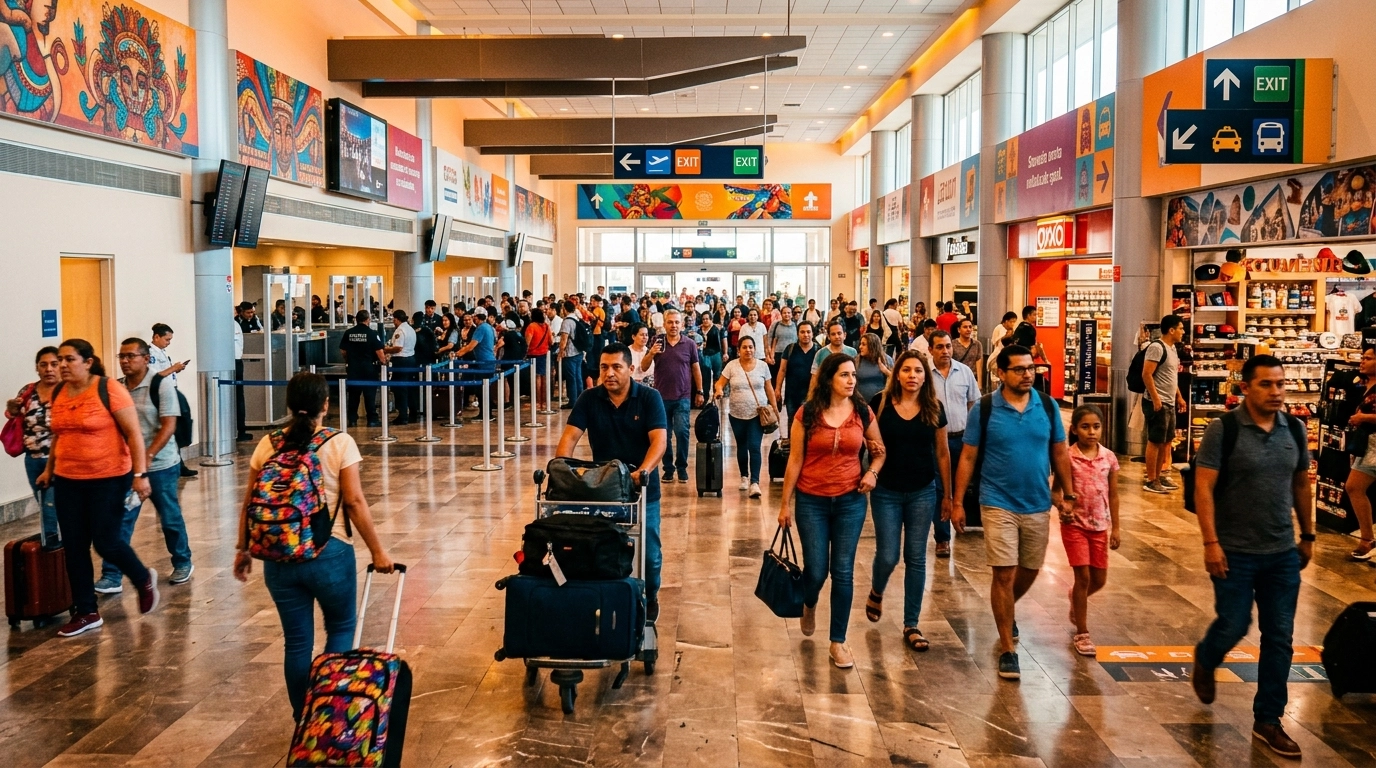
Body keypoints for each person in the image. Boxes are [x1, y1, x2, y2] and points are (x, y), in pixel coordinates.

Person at [233, 372, 394, 723]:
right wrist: (378, 552)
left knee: (297, 642)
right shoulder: (339, 443)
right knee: (340, 628)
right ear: (325, 404)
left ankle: (303, 719)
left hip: (279, 556)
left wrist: (243, 548)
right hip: (330, 551)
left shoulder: (268, 444)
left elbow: (249, 502)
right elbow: (353, 501)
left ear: (289, 405)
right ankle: (331, 718)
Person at [1191, 354, 1314, 760]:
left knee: (1279, 638)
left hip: (1281, 553)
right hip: (1235, 552)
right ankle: (1206, 658)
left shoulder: (1294, 430)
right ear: (1245, 387)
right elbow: (1203, 489)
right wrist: (1211, 543)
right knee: (1234, 624)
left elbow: (1300, 485)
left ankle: (1269, 720)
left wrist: (1308, 535)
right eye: (1266, 384)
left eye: (1281, 384)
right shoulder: (1223, 430)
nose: (1276, 392)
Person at [953, 344, 1074, 681]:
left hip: (1036, 502)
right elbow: (967, 456)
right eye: (1019, 369)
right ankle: (1008, 648)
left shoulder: (1048, 407)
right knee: (1003, 573)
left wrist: (1069, 494)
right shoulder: (986, 409)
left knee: (1030, 569)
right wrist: (958, 501)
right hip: (997, 501)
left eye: (1030, 369)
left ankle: (1005, 610)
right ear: (1000, 374)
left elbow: (1061, 453)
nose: (1027, 375)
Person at [36, 339, 160, 637]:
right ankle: (86, 611)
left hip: (108, 477)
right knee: (75, 546)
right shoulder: (59, 392)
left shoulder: (108, 389)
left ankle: (142, 578)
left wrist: (140, 474)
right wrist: (49, 469)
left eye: (69, 360)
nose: (62, 365)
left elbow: (133, 434)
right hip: (68, 479)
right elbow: (59, 436)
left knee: (105, 541)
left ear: (88, 362)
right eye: (59, 360)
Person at [776, 353, 886, 669]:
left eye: (853, 375)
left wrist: (872, 472)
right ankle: (810, 601)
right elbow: (794, 461)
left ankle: (838, 641)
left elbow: (879, 451)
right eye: (844, 375)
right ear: (828, 379)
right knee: (816, 570)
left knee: (843, 571)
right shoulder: (807, 414)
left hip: (850, 502)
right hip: (812, 501)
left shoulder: (862, 413)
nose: (852, 380)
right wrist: (785, 505)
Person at [557, 343, 668, 620]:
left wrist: (643, 471)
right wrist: (562, 469)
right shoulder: (589, 399)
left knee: (650, 554)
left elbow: (659, 441)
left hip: (642, 490)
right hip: (603, 489)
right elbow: (570, 438)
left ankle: (651, 594)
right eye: (604, 367)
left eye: (617, 367)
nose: (609, 373)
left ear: (631, 369)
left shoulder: (649, 398)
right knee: (600, 548)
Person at [865, 350, 951, 652]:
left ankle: (911, 623)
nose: (912, 375)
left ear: (925, 376)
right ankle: (877, 590)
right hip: (886, 490)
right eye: (906, 370)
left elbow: (942, 453)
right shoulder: (881, 403)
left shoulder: (934, 407)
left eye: (918, 371)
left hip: (922, 490)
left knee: (916, 557)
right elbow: (868, 440)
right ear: (896, 373)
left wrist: (948, 496)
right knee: (888, 555)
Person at [95, 338, 194, 593]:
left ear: (146, 358)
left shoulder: (160, 385)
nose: (126, 361)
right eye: (122, 357)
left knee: (169, 516)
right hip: (128, 466)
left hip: (161, 464)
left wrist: (147, 456)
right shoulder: (116, 387)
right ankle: (112, 575)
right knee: (121, 519)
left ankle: (183, 562)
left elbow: (168, 425)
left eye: (131, 356)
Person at [1061, 404, 1120, 657]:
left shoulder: (1108, 457)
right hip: (1074, 525)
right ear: (1074, 429)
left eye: (1096, 426)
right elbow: (1056, 491)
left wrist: (1116, 527)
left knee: (1099, 580)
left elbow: (1114, 494)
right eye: (1085, 427)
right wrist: (1063, 505)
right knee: (1083, 577)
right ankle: (1082, 633)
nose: (1091, 432)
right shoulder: (1067, 457)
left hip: (1100, 526)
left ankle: (1076, 598)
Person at [929, 330, 980, 555]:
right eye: (939, 347)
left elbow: (973, 404)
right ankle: (942, 537)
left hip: (961, 439)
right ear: (930, 350)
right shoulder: (925, 376)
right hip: (935, 442)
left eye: (948, 346)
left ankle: (963, 522)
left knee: (962, 485)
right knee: (940, 489)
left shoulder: (965, 372)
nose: (945, 351)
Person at [641, 308, 704, 484]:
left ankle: (682, 467)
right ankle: (668, 469)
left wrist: (700, 391)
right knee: (663, 435)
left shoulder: (689, 344)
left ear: (682, 325)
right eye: (670, 322)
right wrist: (651, 352)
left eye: (677, 322)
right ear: (664, 324)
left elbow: (696, 368)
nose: (674, 325)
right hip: (660, 398)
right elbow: (644, 366)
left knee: (682, 432)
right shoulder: (657, 341)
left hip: (682, 396)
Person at [5, 347, 61, 544]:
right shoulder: (29, 390)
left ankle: (55, 546)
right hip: (33, 459)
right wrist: (11, 409)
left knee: (51, 506)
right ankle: (54, 551)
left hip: (60, 459)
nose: (49, 369)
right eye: (43, 365)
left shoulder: (68, 390)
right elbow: (15, 415)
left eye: (54, 364)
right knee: (45, 505)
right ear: (37, 368)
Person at [713, 336, 778, 498]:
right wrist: (719, 390)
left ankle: (754, 482)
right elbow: (720, 382)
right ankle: (744, 476)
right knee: (741, 446)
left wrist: (775, 406)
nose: (748, 350)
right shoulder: (732, 366)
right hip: (736, 414)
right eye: (744, 347)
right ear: (738, 350)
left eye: (751, 347)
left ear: (755, 349)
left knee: (754, 446)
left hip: (757, 414)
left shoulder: (762, 366)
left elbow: (769, 388)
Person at [1141, 315, 1187, 494]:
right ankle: (1151, 479)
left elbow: (1171, 377)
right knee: (1155, 441)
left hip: (1169, 401)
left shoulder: (1173, 349)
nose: (1183, 332)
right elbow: (1147, 374)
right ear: (1171, 330)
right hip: (1158, 403)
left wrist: (1179, 396)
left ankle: (1160, 476)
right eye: (1181, 328)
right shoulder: (1156, 348)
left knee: (1166, 440)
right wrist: (1155, 398)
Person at [149, 323, 196, 478]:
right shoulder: (150, 354)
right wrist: (173, 368)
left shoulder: (162, 352)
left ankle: (178, 462)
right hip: (161, 394)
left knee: (180, 426)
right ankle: (176, 464)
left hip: (171, 390)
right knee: (170, 428)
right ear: (156, 337)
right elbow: (154, 377)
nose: (168, 342)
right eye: (167, 339)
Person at [339, 310, 385, 427]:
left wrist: (348, 360)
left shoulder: (348, 333)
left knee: (354, 396)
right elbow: (380, 353)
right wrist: (384, 362)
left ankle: (352, 420)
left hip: (353, 368)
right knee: (369, 395)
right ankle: (372, 420)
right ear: (368, 320)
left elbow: (343, 351)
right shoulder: (372, 334)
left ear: (356, 319)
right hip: (369, 368)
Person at [776, 321, 819, 427]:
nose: (806, 335)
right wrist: (777, 389)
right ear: (797, 334)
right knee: (793, 423)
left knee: (812, 424)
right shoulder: (790, 349)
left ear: (813, 334)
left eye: (808, 332)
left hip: (813, 395)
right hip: (792, 394)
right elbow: (782, 370)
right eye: (802, 332)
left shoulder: (818, 350)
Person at [383, 309, 419, 425]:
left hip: (401, 361)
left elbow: (398, 348)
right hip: (411, 360)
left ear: (397, 319)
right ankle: (413, 413)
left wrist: (385, 349)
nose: (393, 321)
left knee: (400, 389)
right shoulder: (410, 329)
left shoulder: (400, 330)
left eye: (394, 319)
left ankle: (403, 415)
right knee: (410, 388)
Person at [525, 307, 553, 411]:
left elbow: (527, 342)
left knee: (536, 378)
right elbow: (551, 341)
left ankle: (536, 402)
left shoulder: (531, 326)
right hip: (544, 353)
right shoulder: (546, 326)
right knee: (544, 377)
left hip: (533, 354)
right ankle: (544, 402)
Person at [558, 300, 586, 409]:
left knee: (571, 378)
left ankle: (573, 401)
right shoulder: (576, 318)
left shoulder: (567, 321)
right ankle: (580, 399)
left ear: (565, 309)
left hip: (570, 353)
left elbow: (564, 338)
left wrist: (561, 352)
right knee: (578, 376)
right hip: (578, 352)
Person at [764, 305, 798, 384]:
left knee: (791, 378)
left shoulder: (795, 325)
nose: (787, 315)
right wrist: (769, 354)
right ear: (781, 314)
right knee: (775, 379)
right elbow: (769, 340)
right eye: (784, 313)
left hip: (792, 354)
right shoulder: (775, 325)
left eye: (789, 313)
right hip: (777, 355)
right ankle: (774, 395)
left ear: (791, 314)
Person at [854, 333, 893, 402]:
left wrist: (885, 371)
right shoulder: (856, 360)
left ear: (872, 345)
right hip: (861, 401)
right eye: (860, 344)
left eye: (863, 344)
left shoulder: (887, 360)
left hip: (881, 401)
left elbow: (895, 380)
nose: (860, 347)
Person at [951, 318, 984, 383]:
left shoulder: (977, 344)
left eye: (970, 327)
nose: (968, 329)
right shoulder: (952, 344)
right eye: (965, 327)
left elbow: (979, 364)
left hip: (972, 378)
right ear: (959, 330)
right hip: (957, 378)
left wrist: (979, 382)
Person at [699, 314, 726, 391]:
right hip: (705, 354)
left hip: (716, 353)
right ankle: (706, 395)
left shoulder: (718, 328)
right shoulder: (699, 329)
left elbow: (724, 340)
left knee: (717, 375)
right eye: (703, 319)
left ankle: (716, 394)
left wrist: (725, 352)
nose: (705, 321)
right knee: (705, 375)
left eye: (707, 319)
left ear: (711, 320)